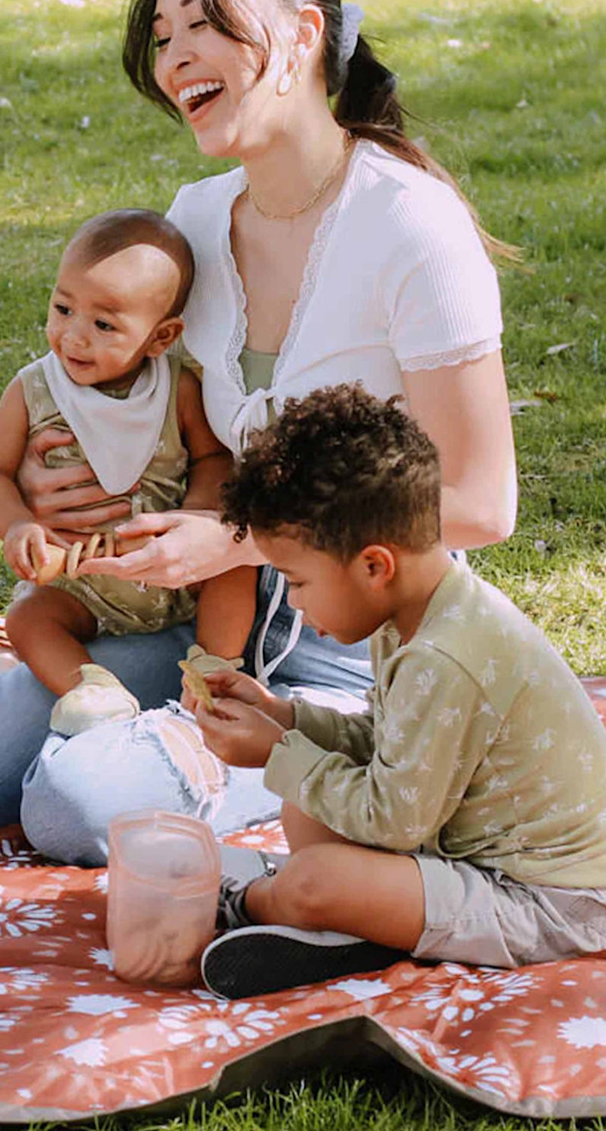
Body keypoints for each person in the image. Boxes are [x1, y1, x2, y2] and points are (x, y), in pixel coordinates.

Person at [0, 0, 517, 865]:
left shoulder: (413, 228)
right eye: (164, 35)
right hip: (186, 617)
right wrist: (59, 488)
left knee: (76, 808)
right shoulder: (197, 220)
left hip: (353, 645)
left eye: (204, 24)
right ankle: (1, 659)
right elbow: (127, 401)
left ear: (302, 36)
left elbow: (481, 506)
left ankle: (190, 745)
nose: (176, 58)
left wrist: (242, 538)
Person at [190, 385, 606, 998]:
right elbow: (387, 744)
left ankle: (245, 903)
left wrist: (277, 755)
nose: (295, 606)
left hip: (546, 901)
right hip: (459, 849)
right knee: (306, 811)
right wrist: (286, 718)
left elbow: (392, 821)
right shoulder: (412, 615)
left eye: (298, 583)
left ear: (374, 565)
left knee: (314, 880)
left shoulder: (445, 655)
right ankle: (372, 928)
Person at [0, 208, 255, 736]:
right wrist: (17, 524)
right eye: (62, 308)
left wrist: (196, 515)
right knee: (29, 616)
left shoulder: (178, 389)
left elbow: (215, 460)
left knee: (237, 564)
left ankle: (214, 668)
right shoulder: (33, 391)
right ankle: (90, 687)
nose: (74, 337)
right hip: (83, 581)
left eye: (104, 325)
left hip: (180, 572)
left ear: (161, 337)